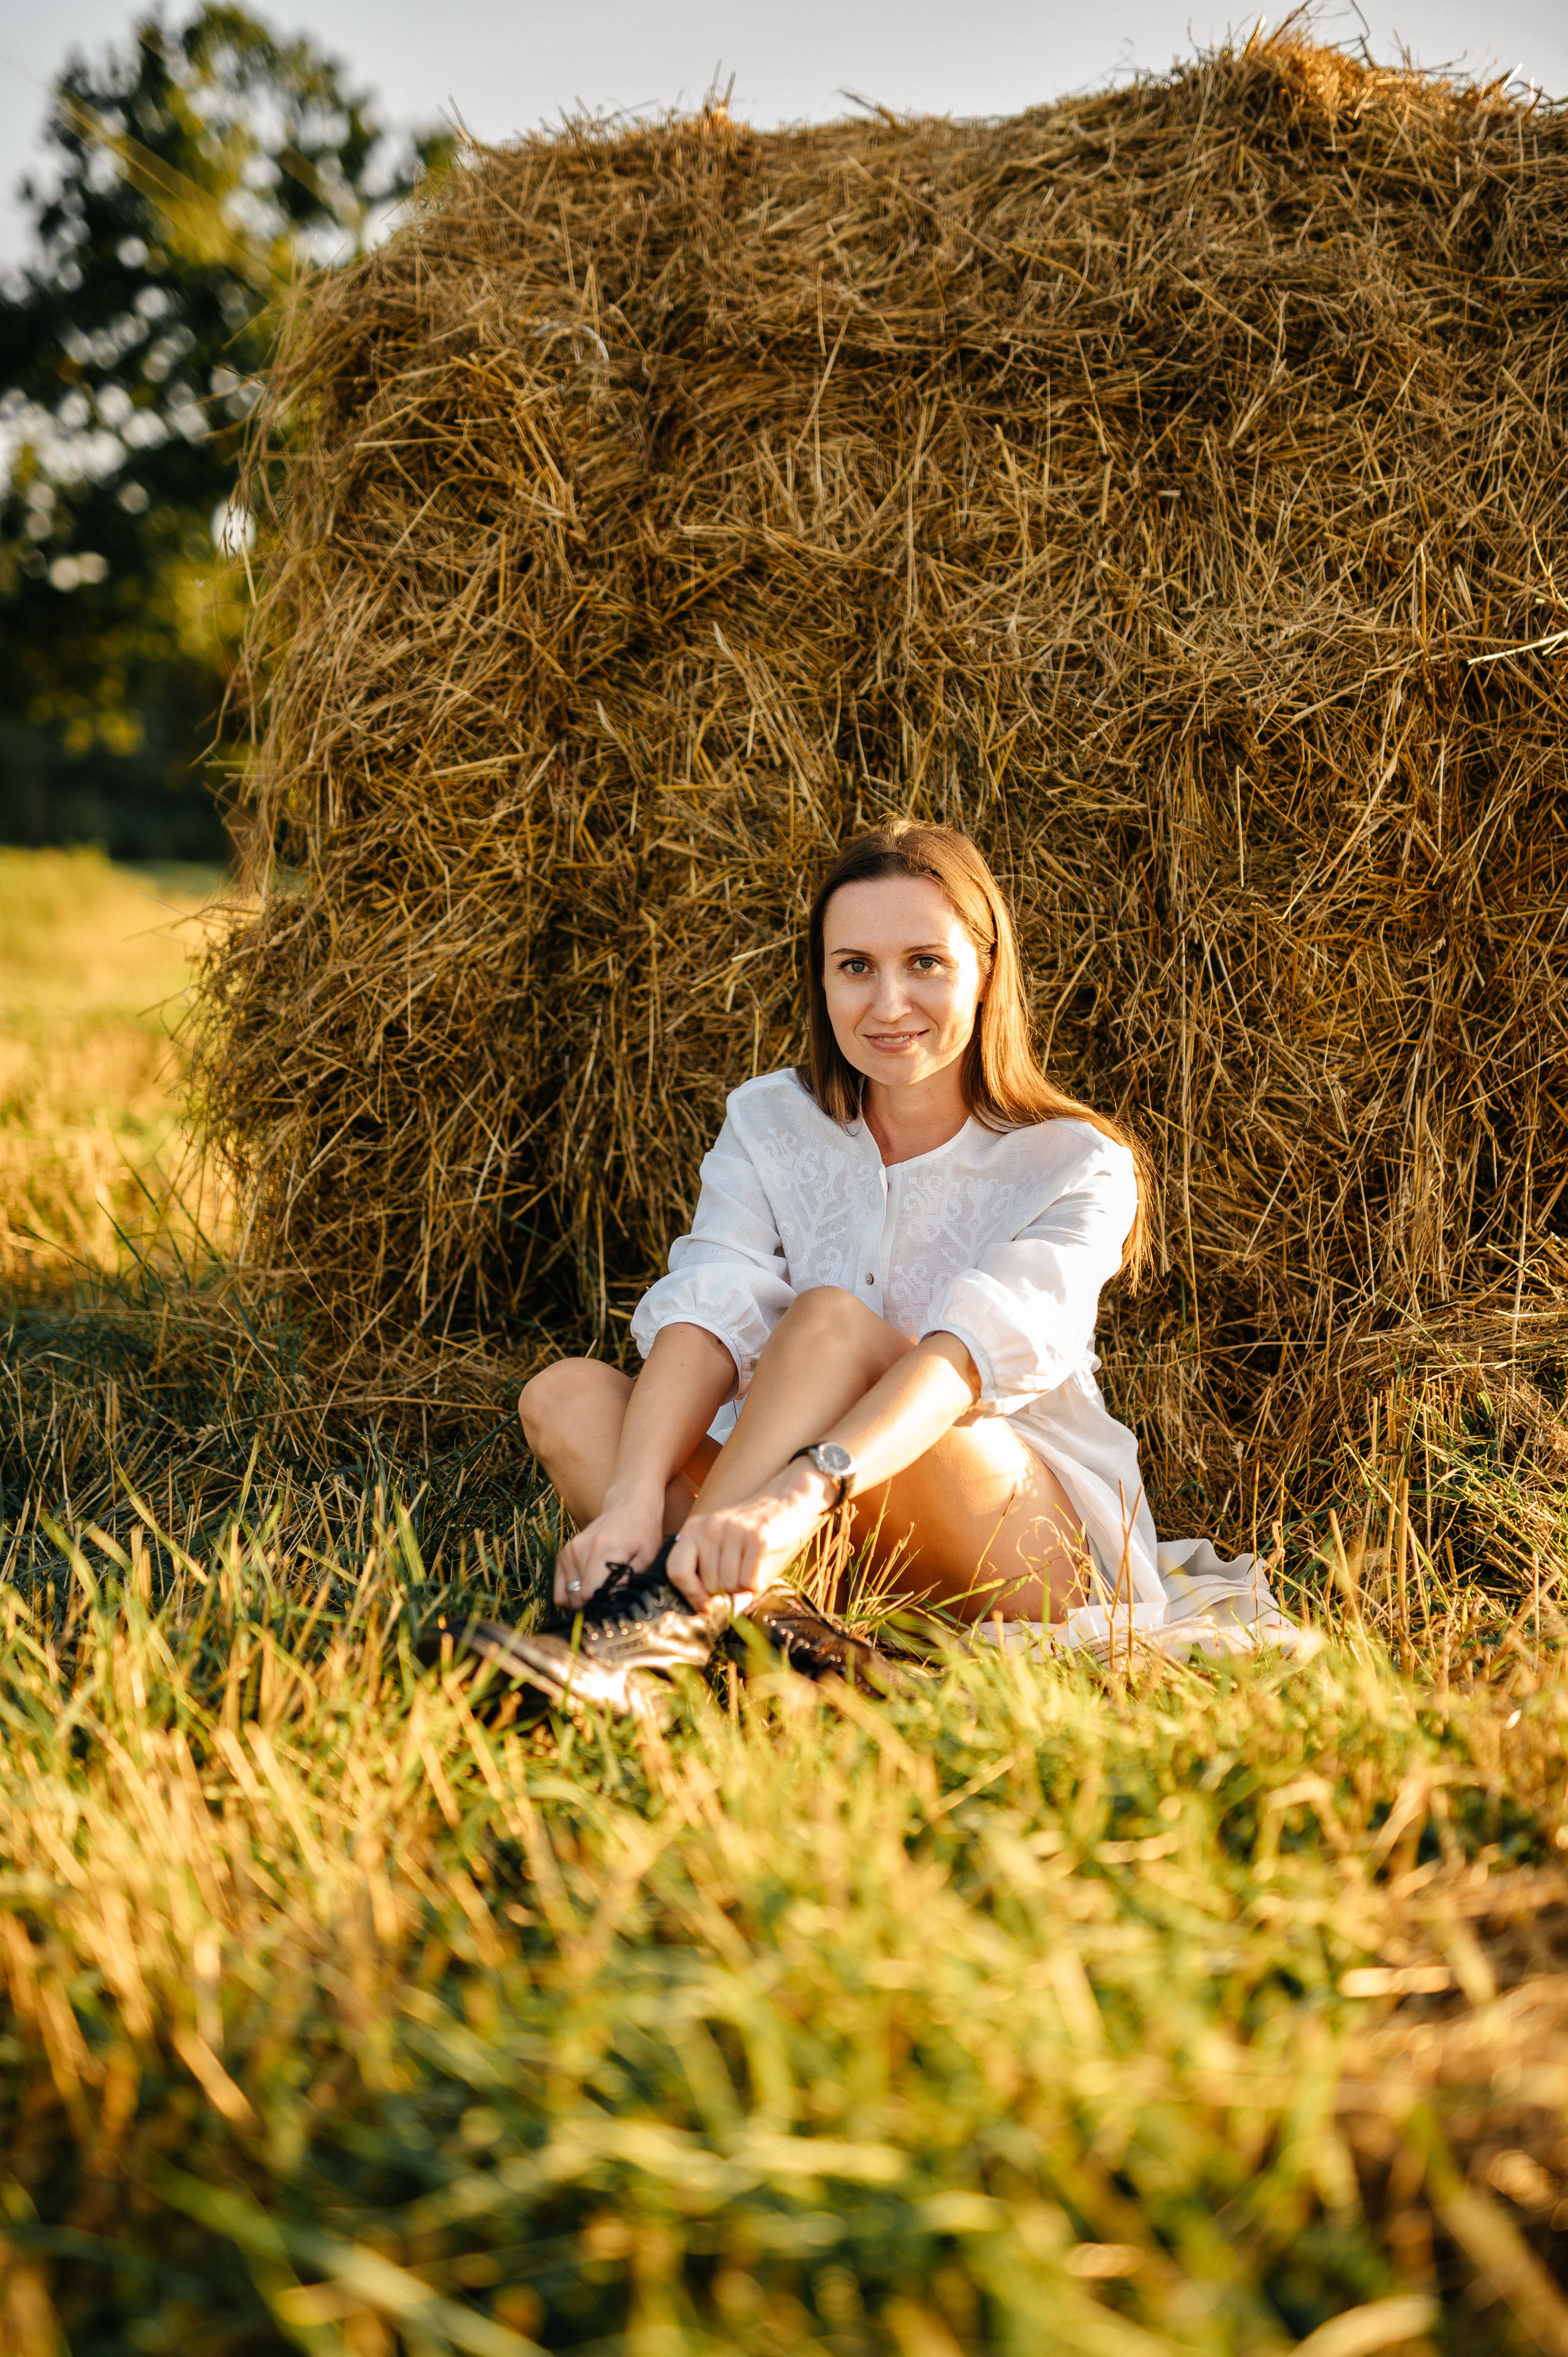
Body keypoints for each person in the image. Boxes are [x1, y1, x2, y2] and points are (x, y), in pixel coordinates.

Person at [515, 820, 1167, 1651]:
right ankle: (777, 1623)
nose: (888, 1005)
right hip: (794, 1523)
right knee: (566, 1394)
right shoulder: (768, 1122)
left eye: (924, 962)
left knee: (828, 1322)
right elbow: (714, 1307)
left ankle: (646, 1630)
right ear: (821, 979)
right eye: (855, 967)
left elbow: (961, 1362)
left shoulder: (1076, 1164)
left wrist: (802, 1488)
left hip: (1018, 1539)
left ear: (986, 970)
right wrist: (633, 1497)